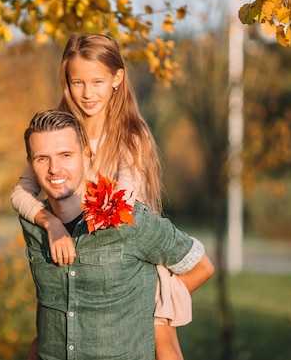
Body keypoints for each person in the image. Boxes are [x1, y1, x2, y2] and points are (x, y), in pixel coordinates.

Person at [11, 33, 191, 359]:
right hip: (81, 264)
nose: (87, 93)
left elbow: (119, 210)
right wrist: (49, 221)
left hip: (126, 260)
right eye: (77, 82)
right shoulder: (59, 132)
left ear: (117, 78)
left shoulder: (131, 137)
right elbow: (21, 192)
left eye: (97, 81)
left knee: (162, 344)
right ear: (66, 81)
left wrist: (149, 306)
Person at [19, 110, 214, 360]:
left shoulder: (128, 220)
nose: (54, 169)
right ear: (30, 162)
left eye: (65, 155)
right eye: (42, 159)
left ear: (85, 156)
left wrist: (156, 316)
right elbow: (48, 309)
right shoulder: (33, 226)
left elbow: (201, 266)